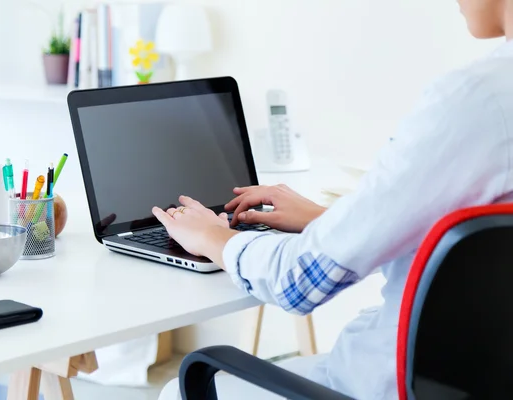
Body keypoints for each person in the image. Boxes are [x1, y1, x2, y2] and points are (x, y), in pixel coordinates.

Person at [156, 1, 513, 398]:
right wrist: (330, 220)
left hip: (385, 383)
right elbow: (477, 247)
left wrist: (210, 236)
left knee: (179, 390)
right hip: (479, 381)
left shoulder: (476, 99)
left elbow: (297, 282)